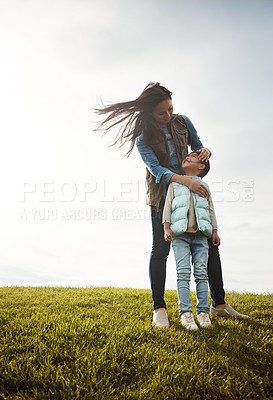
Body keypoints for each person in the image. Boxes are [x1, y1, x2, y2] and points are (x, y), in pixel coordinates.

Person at [95, 82, 249, 328]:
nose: (167, 116)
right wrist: (185, 181)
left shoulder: (182, 122)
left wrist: (205, 150)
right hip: (162, 195)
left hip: (192, 194)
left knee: (209, 243)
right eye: (161, 113)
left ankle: (219, 305)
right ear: (149, 113)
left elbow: (197, 146)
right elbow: (156, 170)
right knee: (160, 248)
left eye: (170, 108)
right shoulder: (143, 136)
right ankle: (160, 309)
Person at [163, 152, 219, 330]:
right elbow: (168, 205)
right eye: (185, 156)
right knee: (183, 273)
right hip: (180, 236)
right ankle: (186, 313)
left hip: (201, 236)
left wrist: (215, 230)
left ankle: (203, 313)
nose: (186, 157)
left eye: (192, 157)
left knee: (202, 273)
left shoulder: (204, 186)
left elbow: (210, 209)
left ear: (201, 166)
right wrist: (166, 227)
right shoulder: (175, 183)